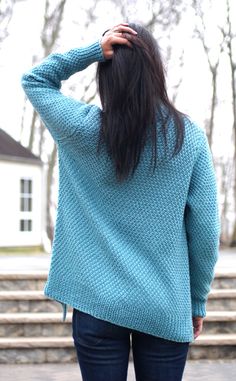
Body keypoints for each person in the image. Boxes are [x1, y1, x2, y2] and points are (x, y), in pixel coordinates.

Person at [21, 22, 220, 381]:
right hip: (164, 304)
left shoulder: (80, 129)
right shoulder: (187, 138)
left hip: (98, 305)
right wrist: (197, 300)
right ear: (156, 72)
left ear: (106, 75)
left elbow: (35, 79)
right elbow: (205, 229)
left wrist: (93, 50)